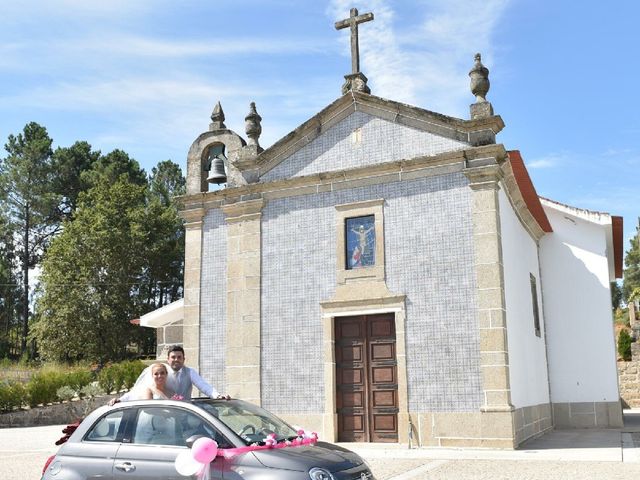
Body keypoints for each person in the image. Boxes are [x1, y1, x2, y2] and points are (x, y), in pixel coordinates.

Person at [109, 345, 229, 405]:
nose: (176, 359)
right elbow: (138, 391)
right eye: (173, 357)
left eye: (179, 357)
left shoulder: (190, 372)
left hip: (184, 415)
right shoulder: (160, 373)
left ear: (184, 359)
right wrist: (120, 400)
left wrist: (217, 396)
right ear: (168, 359)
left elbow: (204, 386)